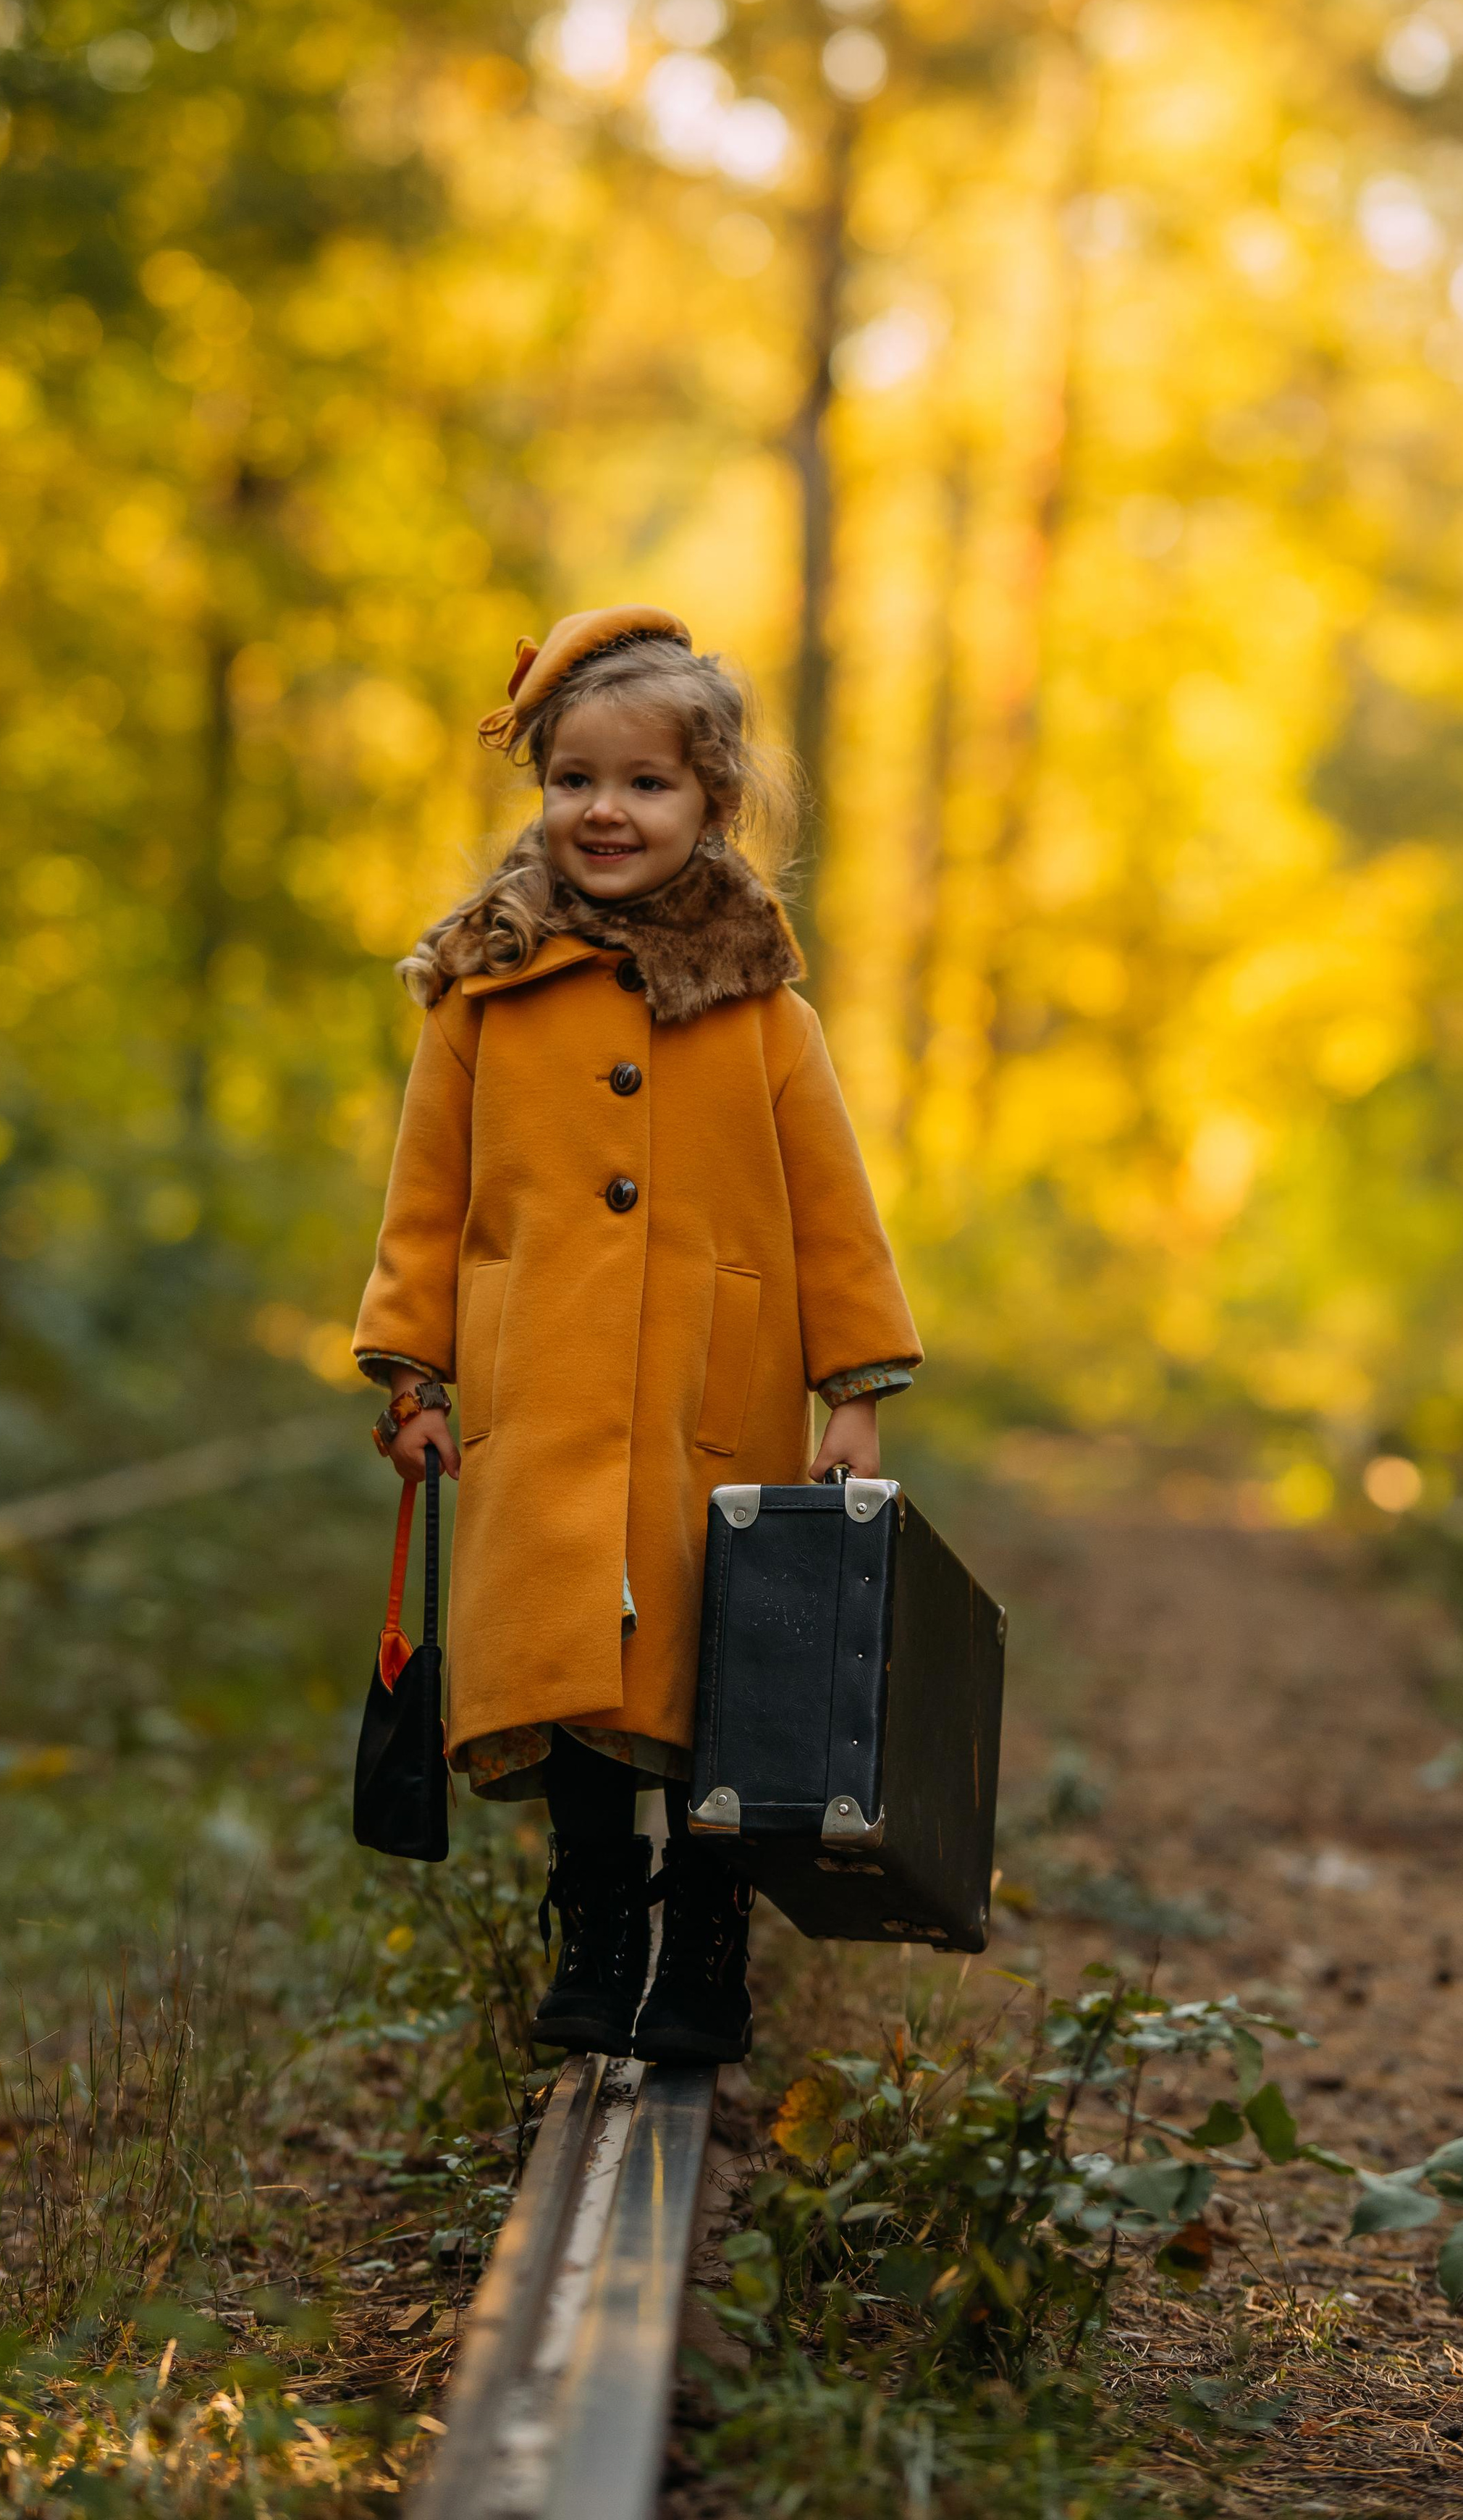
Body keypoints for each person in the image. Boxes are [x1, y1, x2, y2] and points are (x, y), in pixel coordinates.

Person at [353, 604, 920, 2065]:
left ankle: (708, 1946)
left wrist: (850, 1386)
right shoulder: (480, 997)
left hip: (709, 1392)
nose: (604, 811)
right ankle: (597, 1917)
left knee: (709, 1669)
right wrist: (411, 1365)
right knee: (566, 1667)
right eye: (573, 780)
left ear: (711, 803)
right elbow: (427, 1200)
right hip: (533, 1380)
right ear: (539, 791)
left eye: (646, 783)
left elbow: (831, 1210)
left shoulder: (760, 1009)